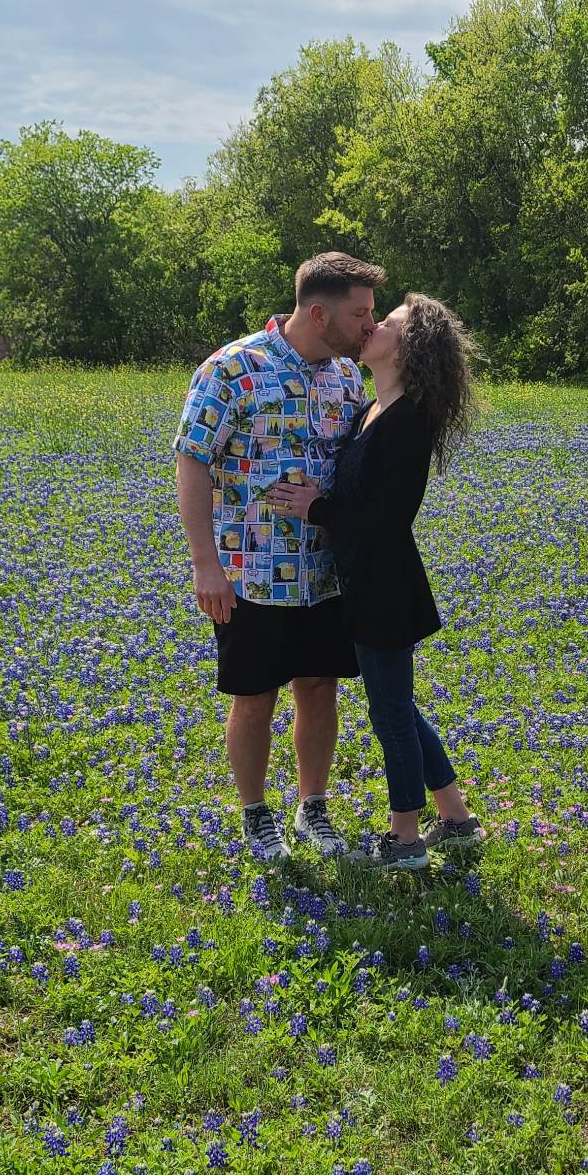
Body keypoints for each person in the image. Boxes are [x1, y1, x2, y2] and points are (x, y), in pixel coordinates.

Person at [174, 252, 384, 860]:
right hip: (252, 569)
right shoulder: (233, 368)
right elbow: (191, 459)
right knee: (255, 694)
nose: (369, 326)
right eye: (360, 314)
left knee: (319, 686)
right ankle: (255, 814)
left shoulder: (347, 377)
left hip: (325, 570)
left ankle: (312, 808)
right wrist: (205, 564)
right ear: (318, 313)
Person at [269, 294, 482, 870]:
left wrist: (316, 509)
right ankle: (457, 818)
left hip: (385, 589)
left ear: (408, 348)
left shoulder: (407, 421)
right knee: (399, 707)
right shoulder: (372, 409)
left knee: (390, 717)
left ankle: (404, 840)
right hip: (363, 582)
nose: (372, 326)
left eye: (386, 323)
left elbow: (388, 519)